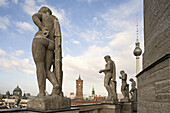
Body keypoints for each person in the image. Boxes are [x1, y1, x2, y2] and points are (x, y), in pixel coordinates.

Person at [32, 6, 61, 97]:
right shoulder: (55, 20)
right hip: (51, 44)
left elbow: (34, 17)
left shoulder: (44, 15)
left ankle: (41, 92)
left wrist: (42, 27)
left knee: (39, 65)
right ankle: (56, 85)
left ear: (43, 11)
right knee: (47, 69)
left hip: (41, 39)